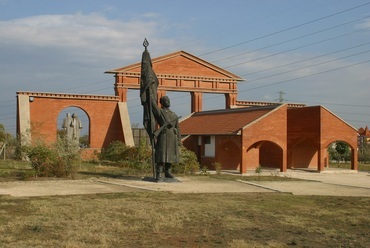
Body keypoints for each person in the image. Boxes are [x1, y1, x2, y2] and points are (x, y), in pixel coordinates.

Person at [152, 96, 181, 181]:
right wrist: (151, 96)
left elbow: (177, 127)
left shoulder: (174, 114)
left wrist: (179, 138)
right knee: (161, 154)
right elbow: (153, 105)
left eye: (169, 100)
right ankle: (159, 174)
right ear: (162, 102)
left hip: (172, 136)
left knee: (171, 155)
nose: (168, 101)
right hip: (163, 135)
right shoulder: (160, 112)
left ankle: (167, 172)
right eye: (166, 100)